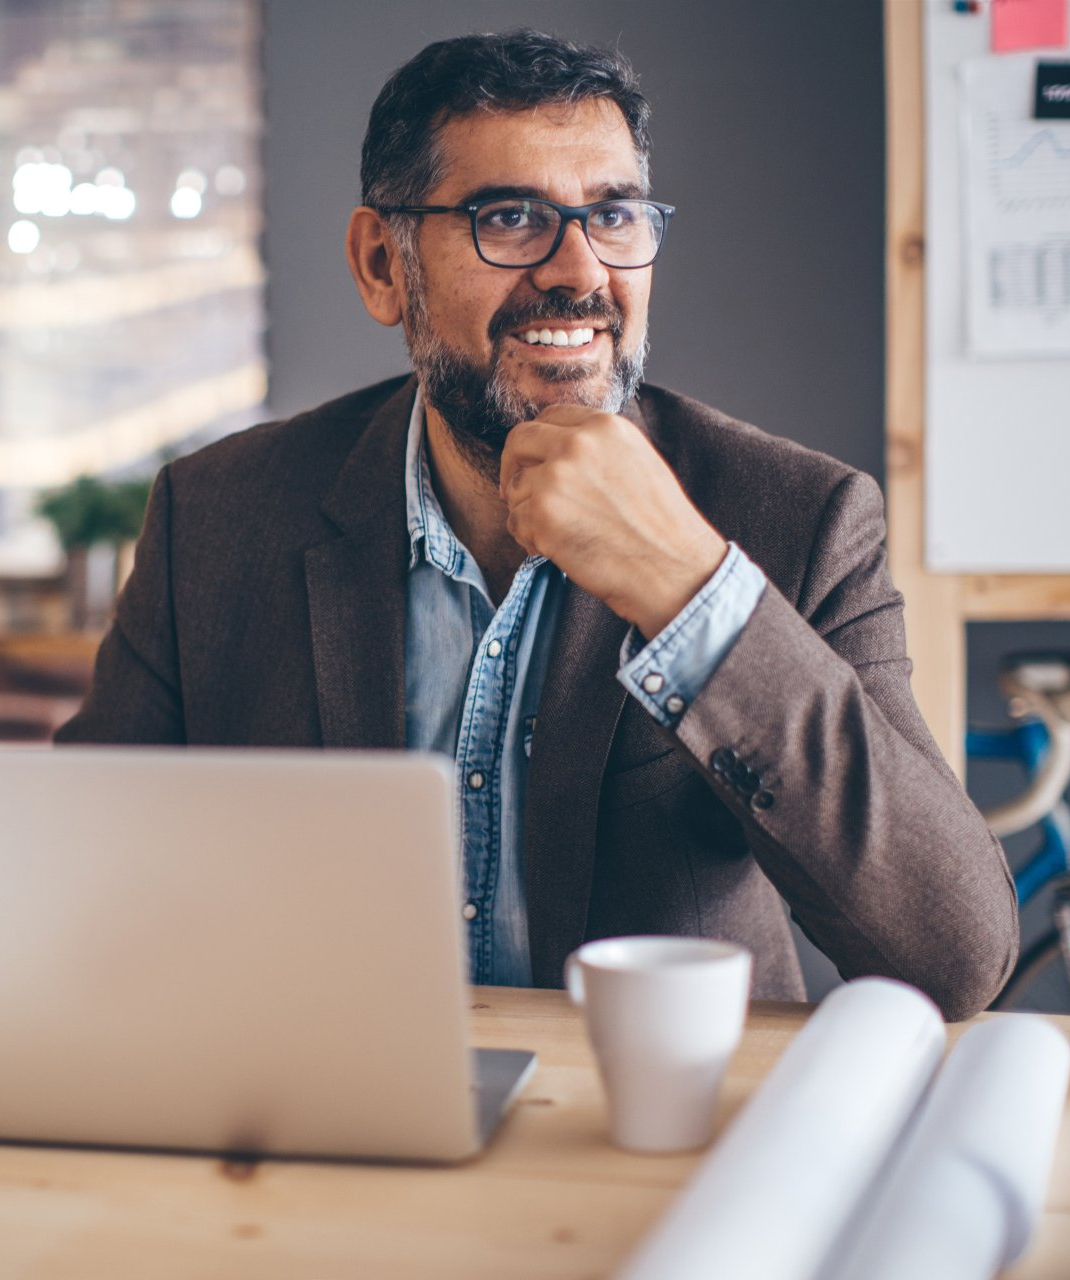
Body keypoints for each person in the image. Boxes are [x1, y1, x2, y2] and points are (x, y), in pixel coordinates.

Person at [57, 30, 1017, 1020]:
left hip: (652, 1147)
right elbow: (69, 893)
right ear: (382, 264)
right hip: (324, 1130)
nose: (577, 271)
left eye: (612, 215)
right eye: (507, 217)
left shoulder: (798, 520)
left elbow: (954, 955)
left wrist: (687, 587)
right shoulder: (217, 518)